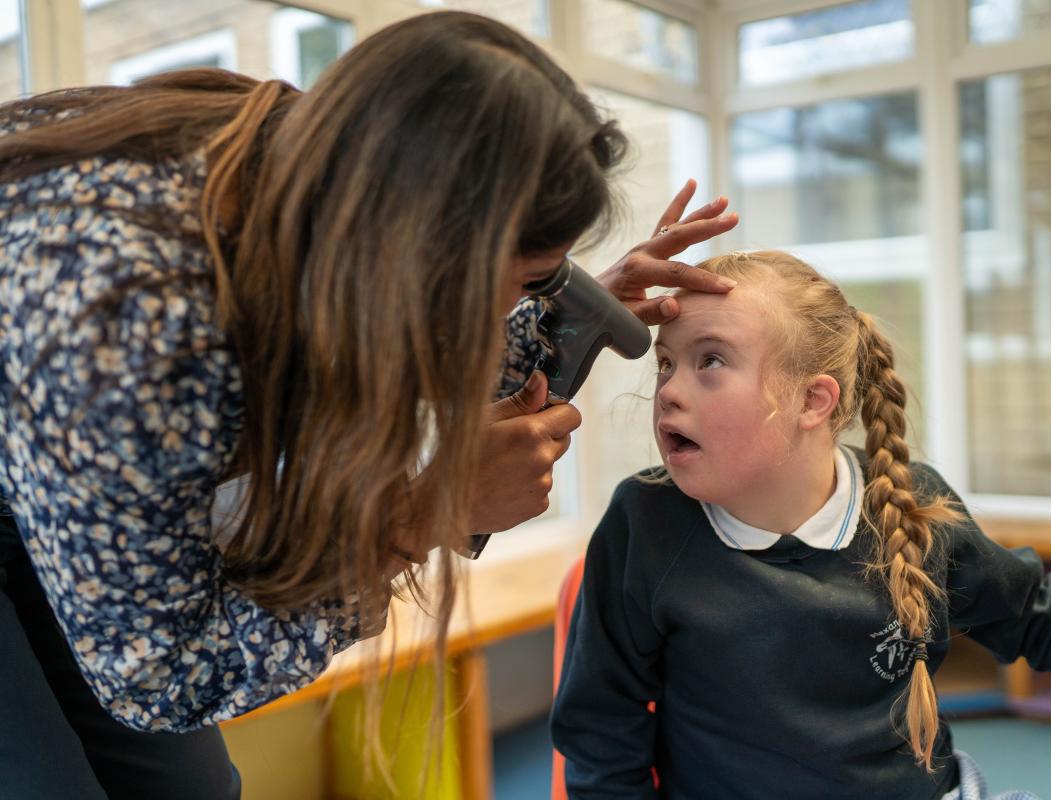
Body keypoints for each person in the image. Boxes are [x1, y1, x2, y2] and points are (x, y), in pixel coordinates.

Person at [0, 11, 738, 799]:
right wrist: (417, 516)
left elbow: (398, 330)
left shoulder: (320, 156)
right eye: (523, 281)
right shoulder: (132, 323)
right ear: (420, 244)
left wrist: (557, 315)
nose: (515, 306)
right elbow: (161, 684)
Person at [549, 250, 1051, 799]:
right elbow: (602, 730)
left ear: (813, 400)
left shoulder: (910, 507)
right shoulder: (645, 521)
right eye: (667, 362)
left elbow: (1041, 617)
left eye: (710, 361)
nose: (669, 389)